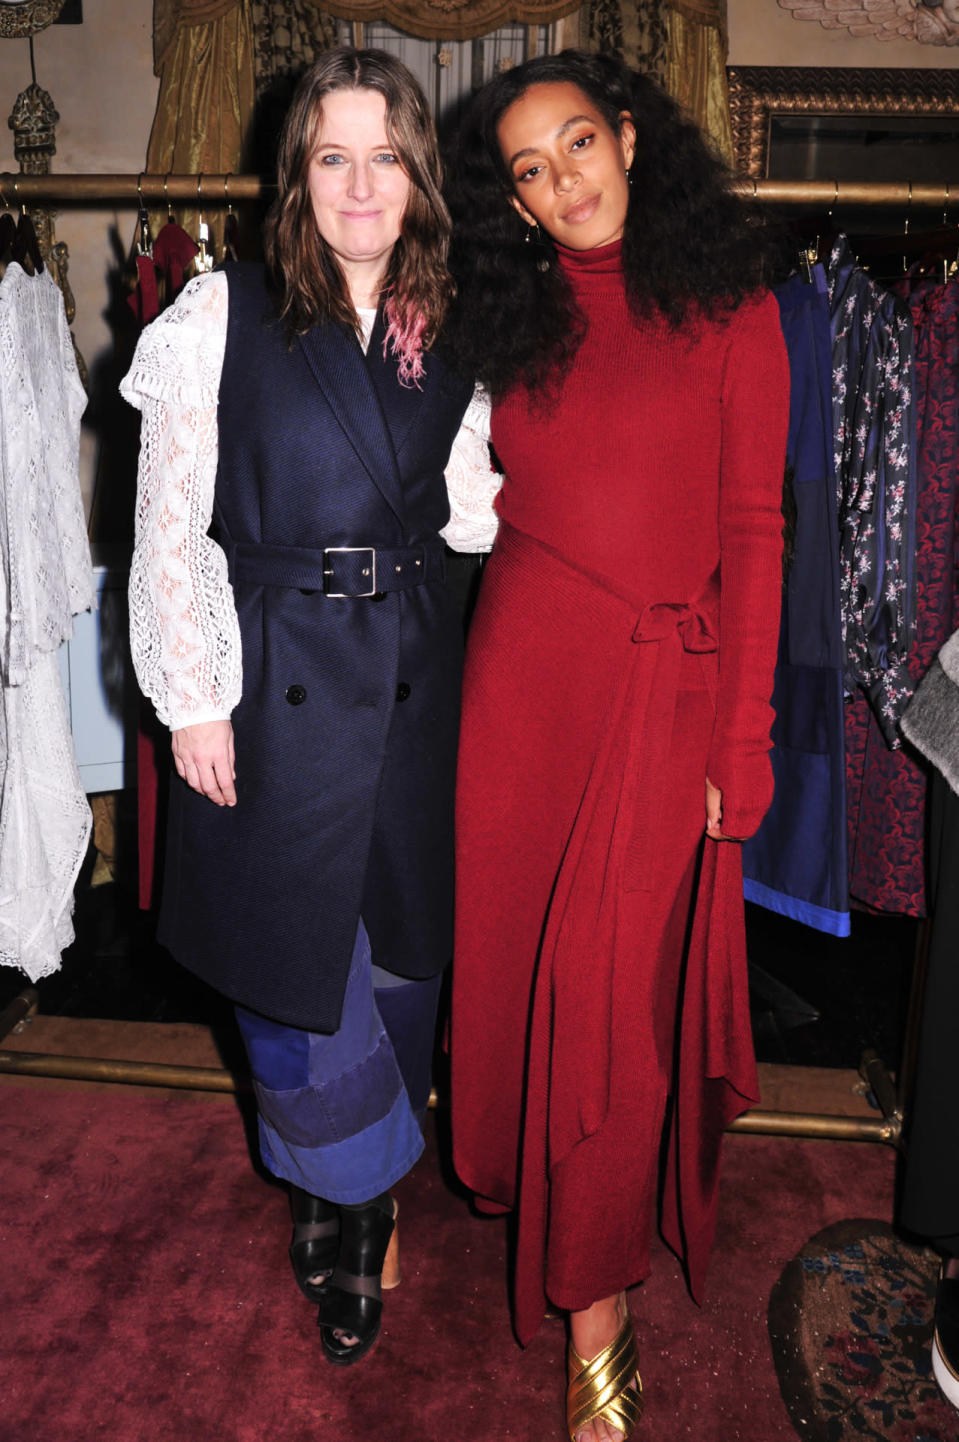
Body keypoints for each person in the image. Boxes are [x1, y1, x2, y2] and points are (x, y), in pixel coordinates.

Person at [121, 48, 494, 1367]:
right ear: (298, 174)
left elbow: (474, 511)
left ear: (417, 175)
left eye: (383, 153)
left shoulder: (455, 325)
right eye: (331, 155)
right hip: (269, 676)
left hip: (408, 682)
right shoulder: (220, 315)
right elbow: (169, 525)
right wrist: (197, 699)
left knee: (396, 966)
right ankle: (341, 1199)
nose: (358, 182)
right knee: (291, 973)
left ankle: (361, 1192)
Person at [443, 50, 791, 1441]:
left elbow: (757, 535)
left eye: (577, 144)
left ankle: (598, 1314)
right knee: (525, 964)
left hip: (661, 690)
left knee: (612, 999)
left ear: (633, 138)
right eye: (529, 171)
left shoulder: (732, 307)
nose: (561, 183)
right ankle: (545, 1200)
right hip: (519, 683)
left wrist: (745, 730)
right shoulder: (507, 316)